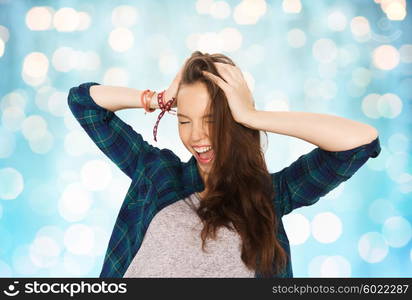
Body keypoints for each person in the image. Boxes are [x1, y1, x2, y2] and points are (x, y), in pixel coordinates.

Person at [67, 51, 381, 278]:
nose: (196, 136)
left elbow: (359, 143)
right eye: (185, 120)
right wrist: (158, 98)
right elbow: (84, 103)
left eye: (213, 120)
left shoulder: (270, 196)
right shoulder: (157, 173)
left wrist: (252, 116)